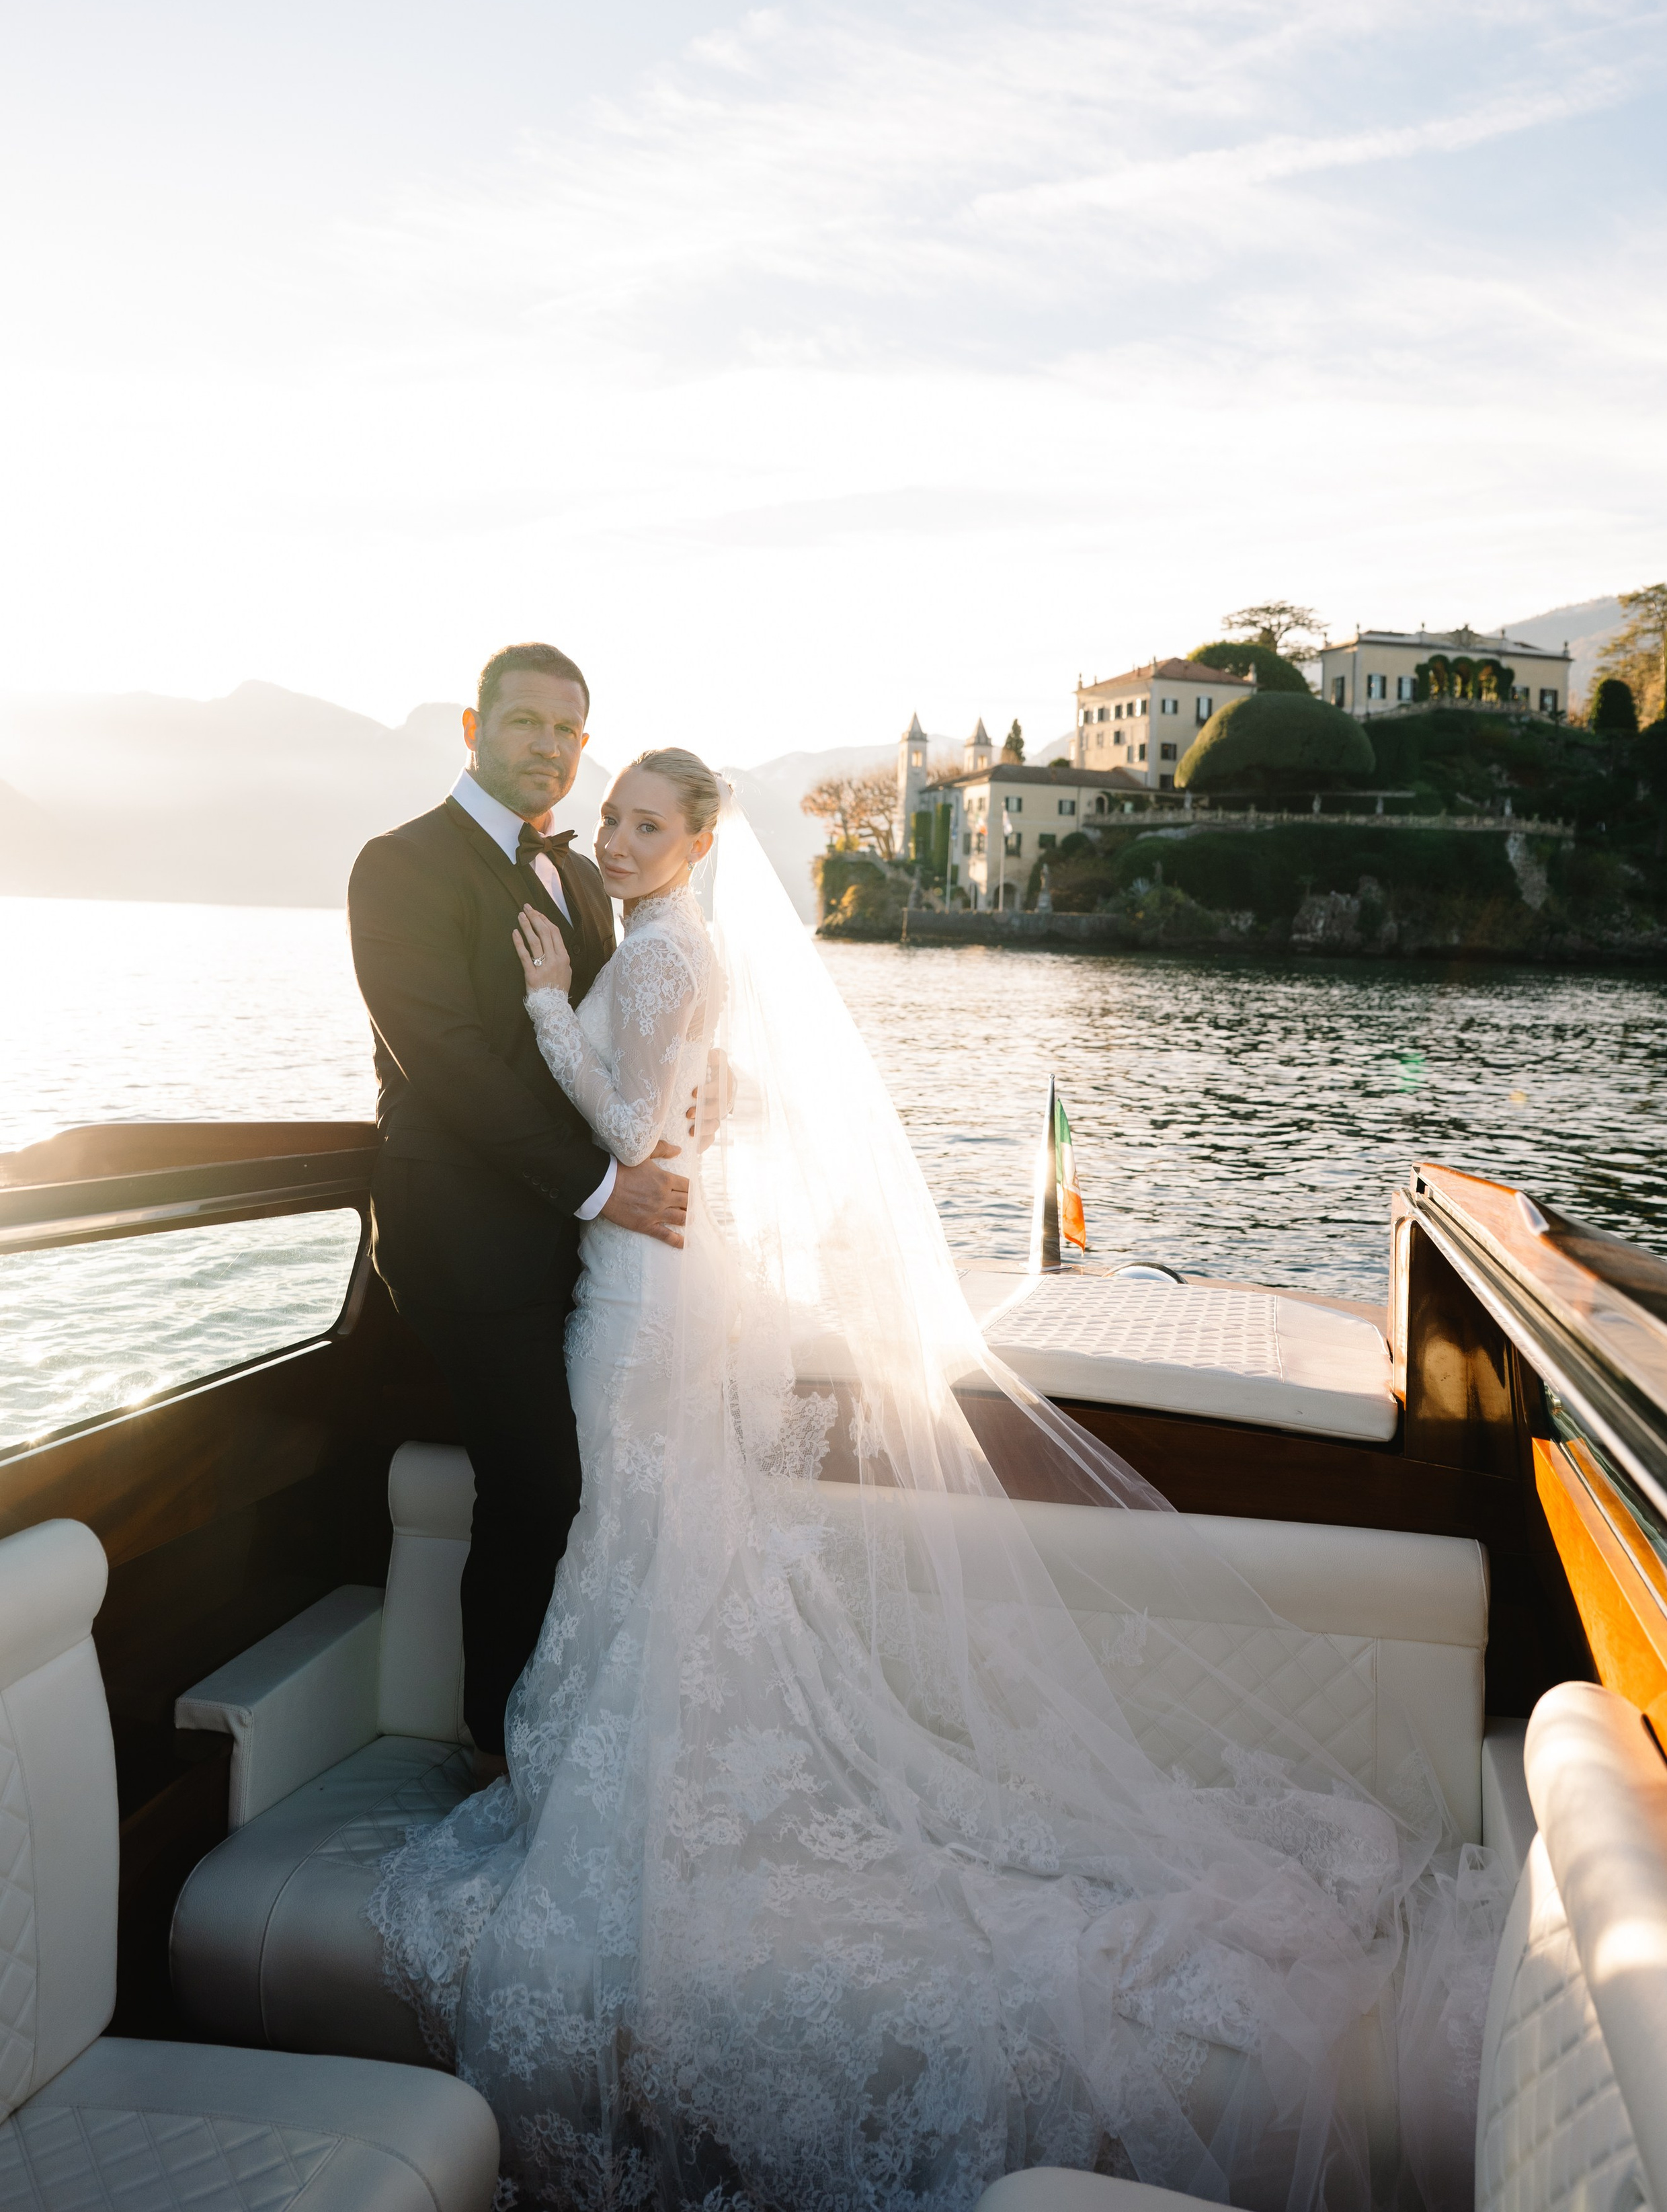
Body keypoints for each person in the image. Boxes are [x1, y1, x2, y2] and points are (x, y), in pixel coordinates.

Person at [371, 749, 1502, 2212]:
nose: (617, 838)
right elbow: (708, 1104)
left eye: (647, 823)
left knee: (628, 1529)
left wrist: (536, 996)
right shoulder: (676, 953)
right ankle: (619, 1777)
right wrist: (687, 1092)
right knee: (644, 1535)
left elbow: (615, 1123)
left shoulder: (651, 957)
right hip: (661, 1283)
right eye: (615, 819)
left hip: (630, 1297)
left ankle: (619, 1795)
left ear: (701, 840)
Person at [348, 643, 695, 1774]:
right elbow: (446, 1061)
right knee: (538, 1481)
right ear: (472, 725)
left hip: (570, 1239)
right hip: (463, 1232)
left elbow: (611, 1040)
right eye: (527, 722)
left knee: (584, 1474)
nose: (550, 745)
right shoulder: (399, 865)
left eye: (569, 730)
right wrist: (606, 1185)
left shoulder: (586, 877)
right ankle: (494, 1746)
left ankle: (566, 1719)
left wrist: (699, 1078)